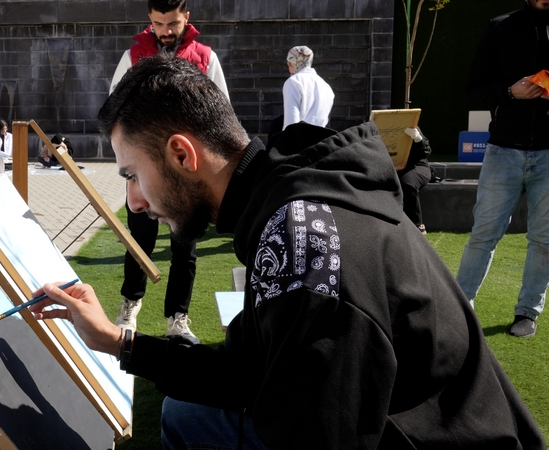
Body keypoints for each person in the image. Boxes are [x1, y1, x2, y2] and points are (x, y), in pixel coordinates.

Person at [27, 53, 545, 449]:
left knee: (190, 420)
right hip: (414, 419)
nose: (134, 202)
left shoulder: (303, 248)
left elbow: (318, 435)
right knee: (185, 412)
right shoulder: (288, 198)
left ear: (182, 154)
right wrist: (119, 341)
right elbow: (248, 369)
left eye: (132, 175)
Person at [110, 0, 231, 343]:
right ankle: (130, 306)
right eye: (159, 23)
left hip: (186, 172)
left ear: (186, 18)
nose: (166, 31)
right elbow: (113, 111)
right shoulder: (133, 57)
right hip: (144, 168)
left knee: (184, 248)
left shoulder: (205, 58)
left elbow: (223, 112)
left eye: (173, 23)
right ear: (150, 19)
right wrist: (129, 164)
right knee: (139, 243)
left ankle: (178, 318)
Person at [456, 0, 549, 338]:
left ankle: (527, 311)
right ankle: (460, 307)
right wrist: (511, 92)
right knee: (484, 233)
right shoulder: (501, 26)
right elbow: (475, 87)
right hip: (504, 150)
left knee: (544, 239)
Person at [282, 45, 335, 130]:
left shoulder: (293, 82)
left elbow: (291, 121)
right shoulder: (326, 87)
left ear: (292, 63)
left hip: (299, 136)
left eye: (288, 63)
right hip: (321, 136)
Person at [397, 127, 432, 235]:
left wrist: (417, 138)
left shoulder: (410, 125)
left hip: (416, 166)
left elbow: (425, 152)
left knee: (407, 182)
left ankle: (417, 225)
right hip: (391, 166)